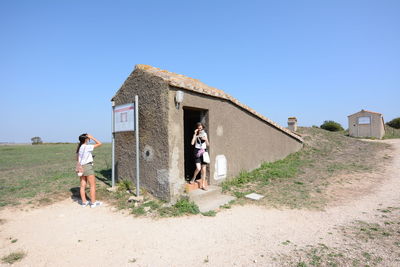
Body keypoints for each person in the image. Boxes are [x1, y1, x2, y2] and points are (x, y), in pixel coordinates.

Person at [76, 133, 103, 208]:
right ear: (86, 139)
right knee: (92, 185)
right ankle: (93, 203)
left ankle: (84, 202)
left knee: (82, 185)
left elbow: (77, 158)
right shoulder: (87, 147)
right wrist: (92, 137)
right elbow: (100, 143)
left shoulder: (80, 147)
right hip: (87, 167)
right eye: (88, 138)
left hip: (81, 167)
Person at [190, 122, 210, 190]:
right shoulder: (196, 134)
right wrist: (195, 134)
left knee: (203, 170)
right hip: (197, 151)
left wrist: (206, 139)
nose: (200, 130)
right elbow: (192, 143)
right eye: (199, 128)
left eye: (201, 128)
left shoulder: (205, 134)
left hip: (204, 152)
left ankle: (203, 185)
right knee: (198, 168)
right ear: (197, 129)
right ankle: (193, 178)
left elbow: (208, 145)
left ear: (203, 128)